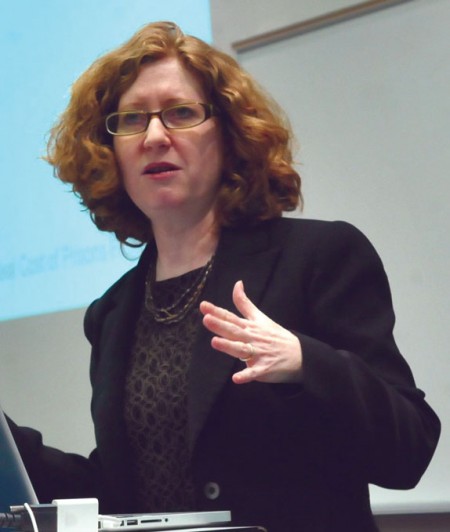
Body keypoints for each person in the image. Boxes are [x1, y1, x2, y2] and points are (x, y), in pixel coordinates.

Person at [7, 21, 440, 532]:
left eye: (181, 113)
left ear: (231, 135)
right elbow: (122, 493)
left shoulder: (318, 257)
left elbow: (409, 449)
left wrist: (305, 363)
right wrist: (13, 446)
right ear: (109, 153)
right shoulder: (113, 311)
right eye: (129, 120)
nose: (153, 136)